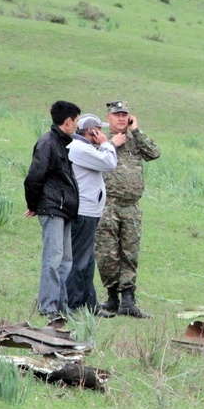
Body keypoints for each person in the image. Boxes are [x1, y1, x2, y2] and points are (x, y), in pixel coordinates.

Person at [95, 100, 161, 319]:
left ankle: (129, 300)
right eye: (117, 115)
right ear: (109, 118)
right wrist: (111, 144)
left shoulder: (135, 139)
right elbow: (91, 160)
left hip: (131, 206)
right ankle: (112, 297)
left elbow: (154, 153)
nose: (122, 118)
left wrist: (136, 130)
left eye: (125, 114)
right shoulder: (99, 138)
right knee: (107, 253)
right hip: (108, 204)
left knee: (130, 252)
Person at [23, 100, 81, 319]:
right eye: (76, 121)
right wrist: (34, 204)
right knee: (54, 259)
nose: (77, 125)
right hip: (53, 208)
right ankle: (48, 307)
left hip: (64, 209)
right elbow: (34, 177)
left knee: (66, 260)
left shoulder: (62, 143)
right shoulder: (48, 143)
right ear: (68, 121)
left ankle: (62, 307)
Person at [65, 113, 124, 316]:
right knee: (79, 259)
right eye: (98, 130)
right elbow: (108, 163)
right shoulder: (80, 148)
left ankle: (89, 303)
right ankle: (73, 304)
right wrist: (108, 144)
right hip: (84, 210)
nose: (101, 133)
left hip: (90, 210)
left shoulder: (84, 148)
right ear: (91, 131)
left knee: (87, 259)